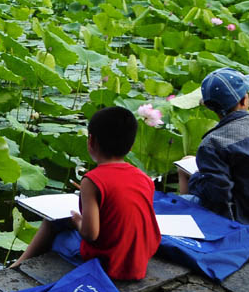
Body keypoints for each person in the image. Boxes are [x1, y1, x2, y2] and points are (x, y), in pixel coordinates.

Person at [12, 106, 160, 280]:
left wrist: (77, 221)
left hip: (109, 265)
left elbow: (91, 234)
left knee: (53, 225)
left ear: (91, 141)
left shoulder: (92, 180)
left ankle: (18, 264)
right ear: (131, 146)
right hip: (139, 260)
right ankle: (19, 264)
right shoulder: (143, 177)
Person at [177, 68, 249, 230]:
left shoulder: (212, 142)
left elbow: (218, 194)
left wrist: (196, 178)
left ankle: (190, 222)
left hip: (240, 216)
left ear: (210, 107)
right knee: (188, 160)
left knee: (183, 173)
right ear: (244, 101)